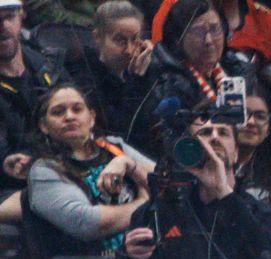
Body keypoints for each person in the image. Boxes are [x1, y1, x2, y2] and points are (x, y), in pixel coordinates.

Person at [122, 113, 265, 259]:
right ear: (190, 148)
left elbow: (262, 254)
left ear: (236, 153)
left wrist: (222, 192)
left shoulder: (257, 211)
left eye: (223, 132)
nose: (214, 138)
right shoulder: (159, 211)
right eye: (205, 133)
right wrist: (131, 257)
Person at [25, 84, 152, 259]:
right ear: (44, 125)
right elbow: (88, 223)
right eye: (58, 112)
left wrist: (128, 164)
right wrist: (144, 203)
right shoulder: (43, 170)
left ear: (91, 118)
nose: (69, 116)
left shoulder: (115, 147)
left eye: (77, 109)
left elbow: (166, 185)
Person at [122, 0, 255, 157]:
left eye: (215, 29)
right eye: (198, 32)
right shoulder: (163, 79)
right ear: (179, 39)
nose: (209, 41)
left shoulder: (239, 70)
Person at [0, 0, 70, 192]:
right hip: (15, 191)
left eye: (9, 17)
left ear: (22, 15)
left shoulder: (49, 67)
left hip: (67, 174)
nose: (3, 26)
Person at [68, 1, 154, 139]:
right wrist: (137, 80)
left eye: (135, 39)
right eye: (120, 40)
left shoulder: (143, 68)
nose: (129, 50)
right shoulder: (83, 71)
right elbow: (120, 128)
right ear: (98, 37)